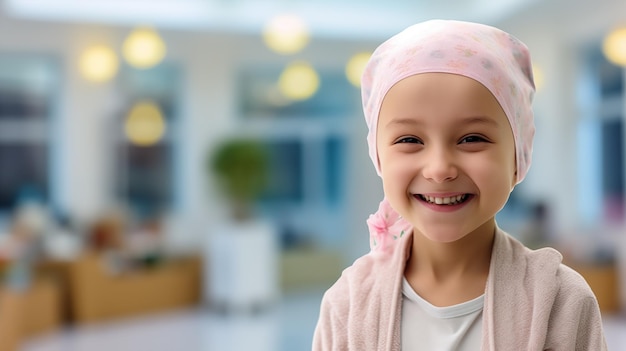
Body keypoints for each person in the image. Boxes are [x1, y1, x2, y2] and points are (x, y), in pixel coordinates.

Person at [312, 20, 607, 350]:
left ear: (518, 154)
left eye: (472, 138)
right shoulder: (348, 305)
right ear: (378, 155)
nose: (439, 169)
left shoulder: (561, 301)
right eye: (409, 139)